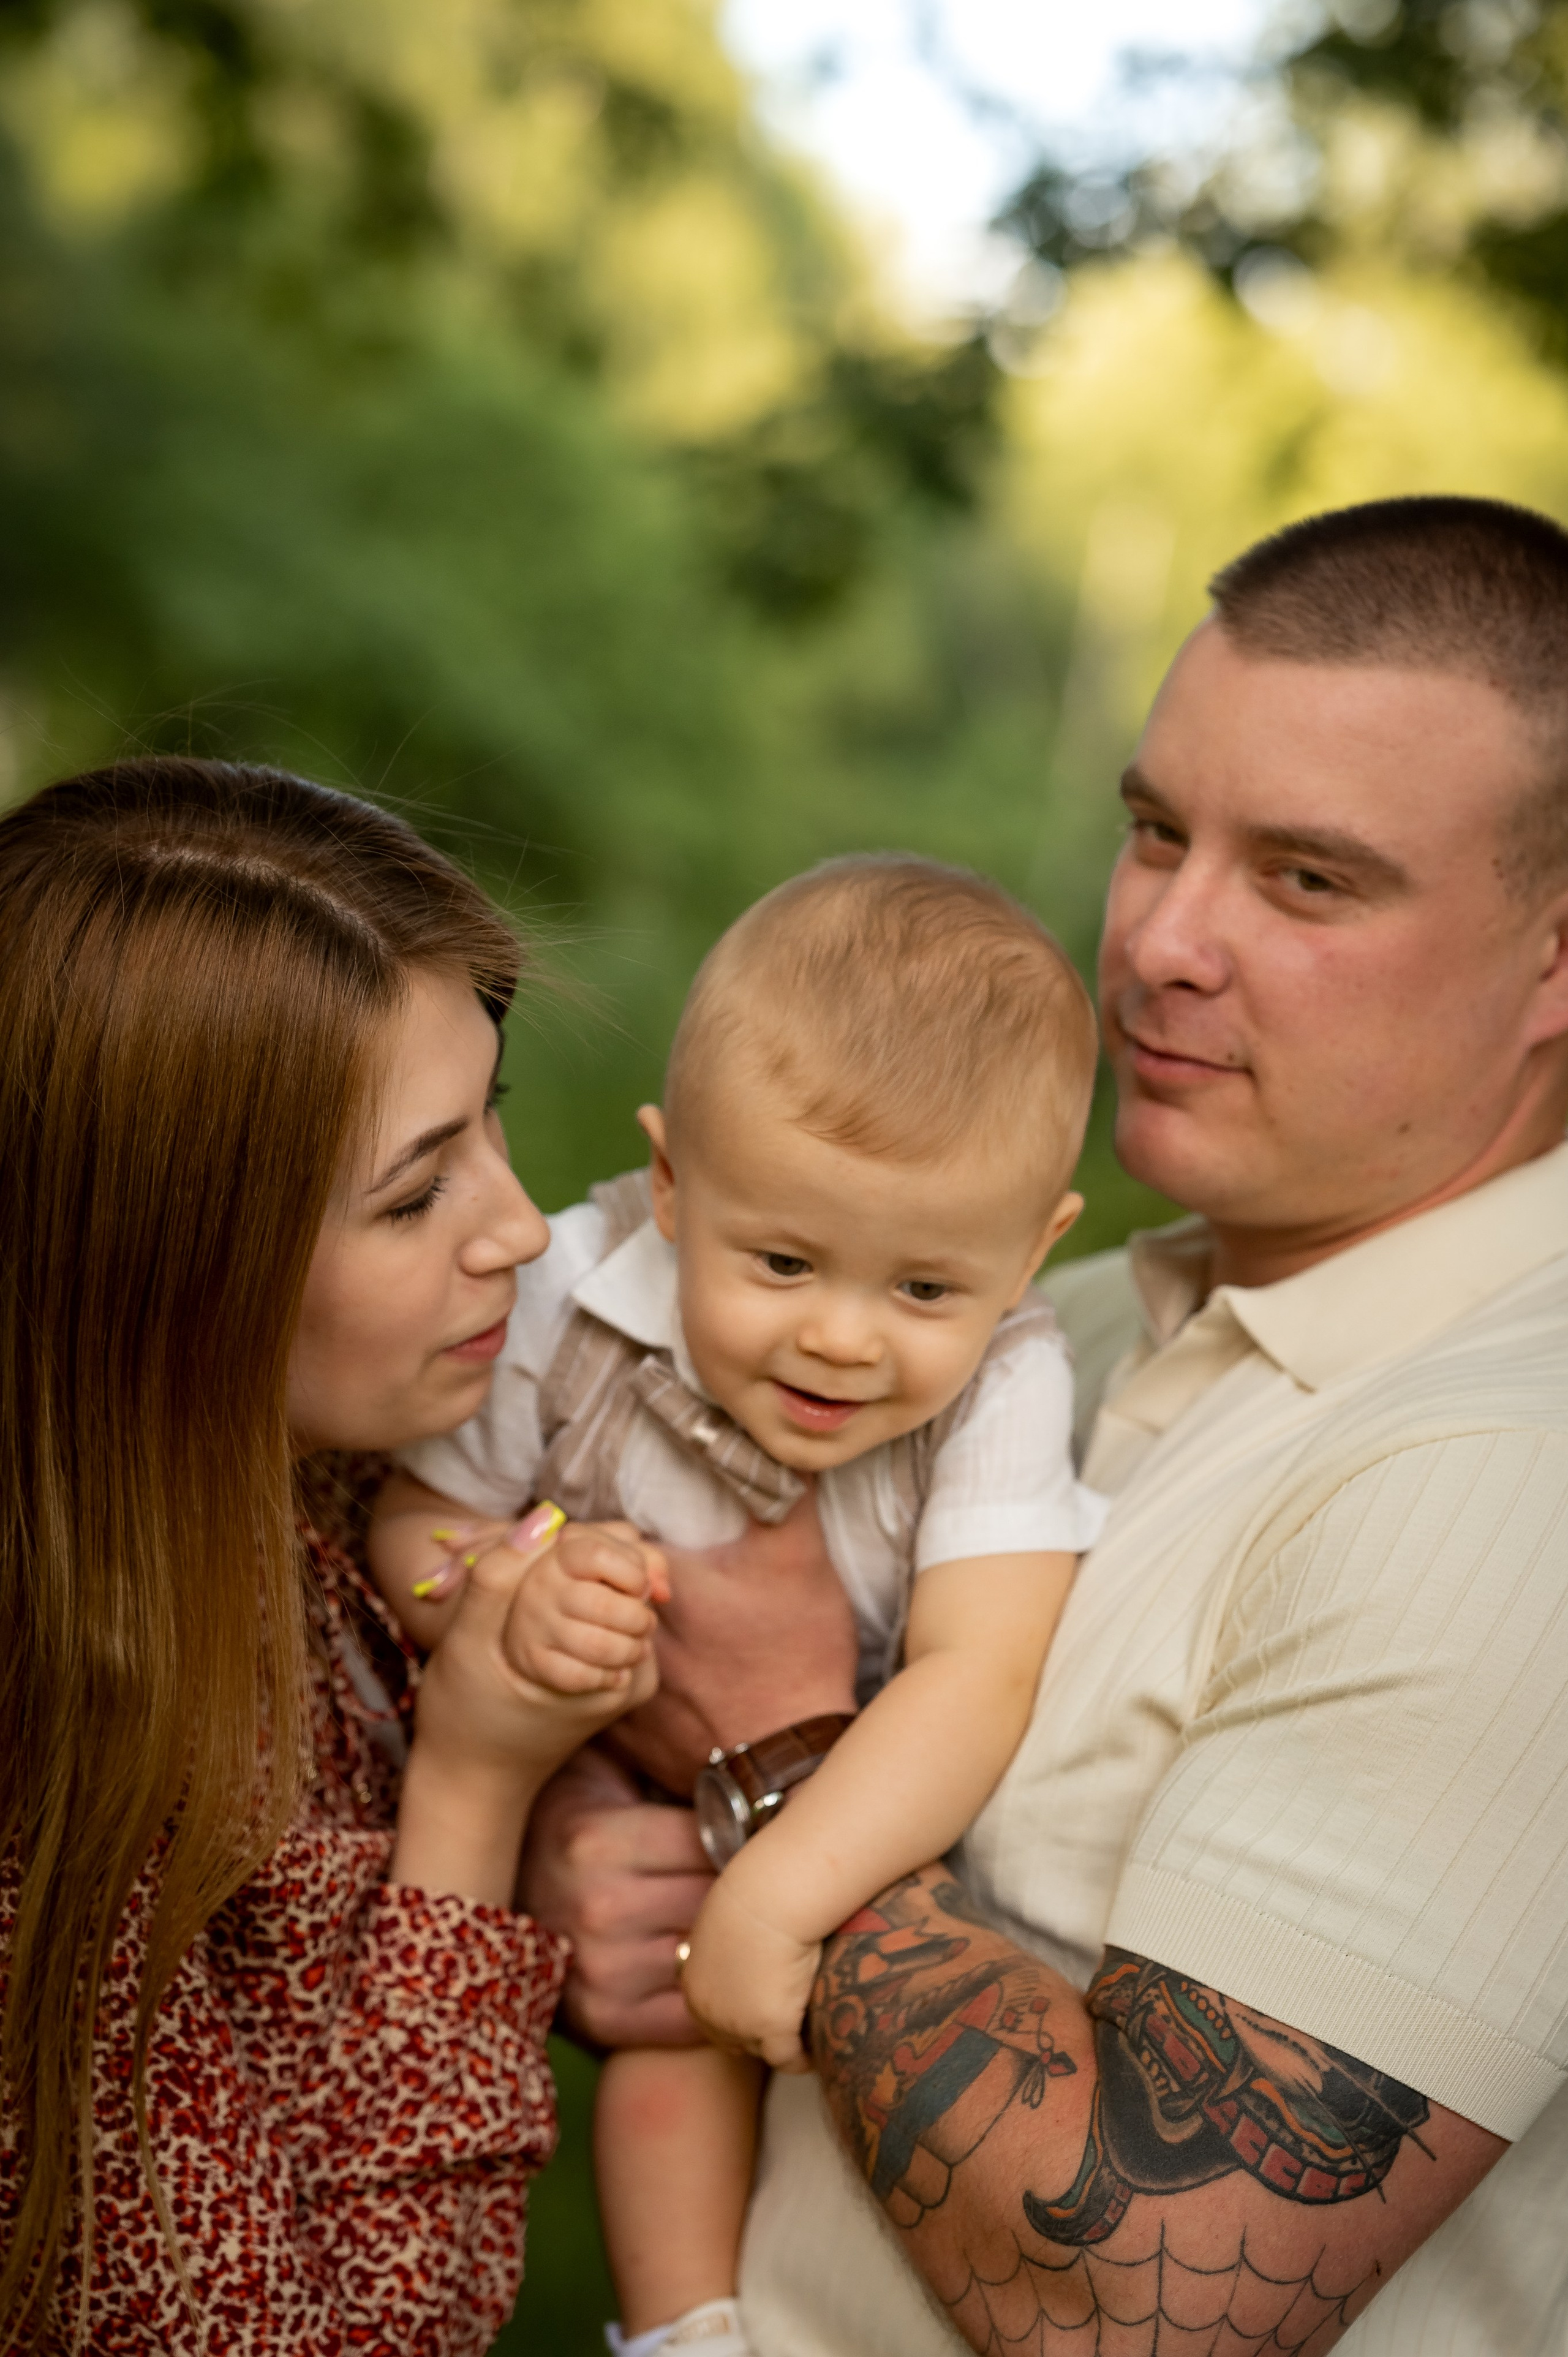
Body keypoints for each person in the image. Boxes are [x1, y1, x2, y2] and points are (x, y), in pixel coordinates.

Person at [532, 495, 1568, 2356]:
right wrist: (625, 1861)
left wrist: (770, 1749)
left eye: (1309, 881)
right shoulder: (1028, 1326)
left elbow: (1147, 2302)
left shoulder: (1514, 1480)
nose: (1164, 940)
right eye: (1157, 831)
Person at [366, 858, 1109, 2357]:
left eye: (922, 1291)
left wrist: (782, 1886)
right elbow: (413, 1525)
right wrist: (497, 1600)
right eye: (780, 1261)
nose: (838, 1339)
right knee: (668, 2026)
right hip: (633, 1792)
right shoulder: (569, 1300)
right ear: (667, 1186)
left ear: (1030, 1254)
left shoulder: (1011, 1380)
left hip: (884, 1805)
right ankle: (683, 2331)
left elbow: (977, 1669)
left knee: (752, 1977)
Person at [0, 755, 682, 2354]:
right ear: (168, 1266)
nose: (517, 1228)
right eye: (412, 1194)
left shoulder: (321, 1497)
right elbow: (364, 2333)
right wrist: (476, 1792)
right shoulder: (60, 1761)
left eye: (490, 1116)